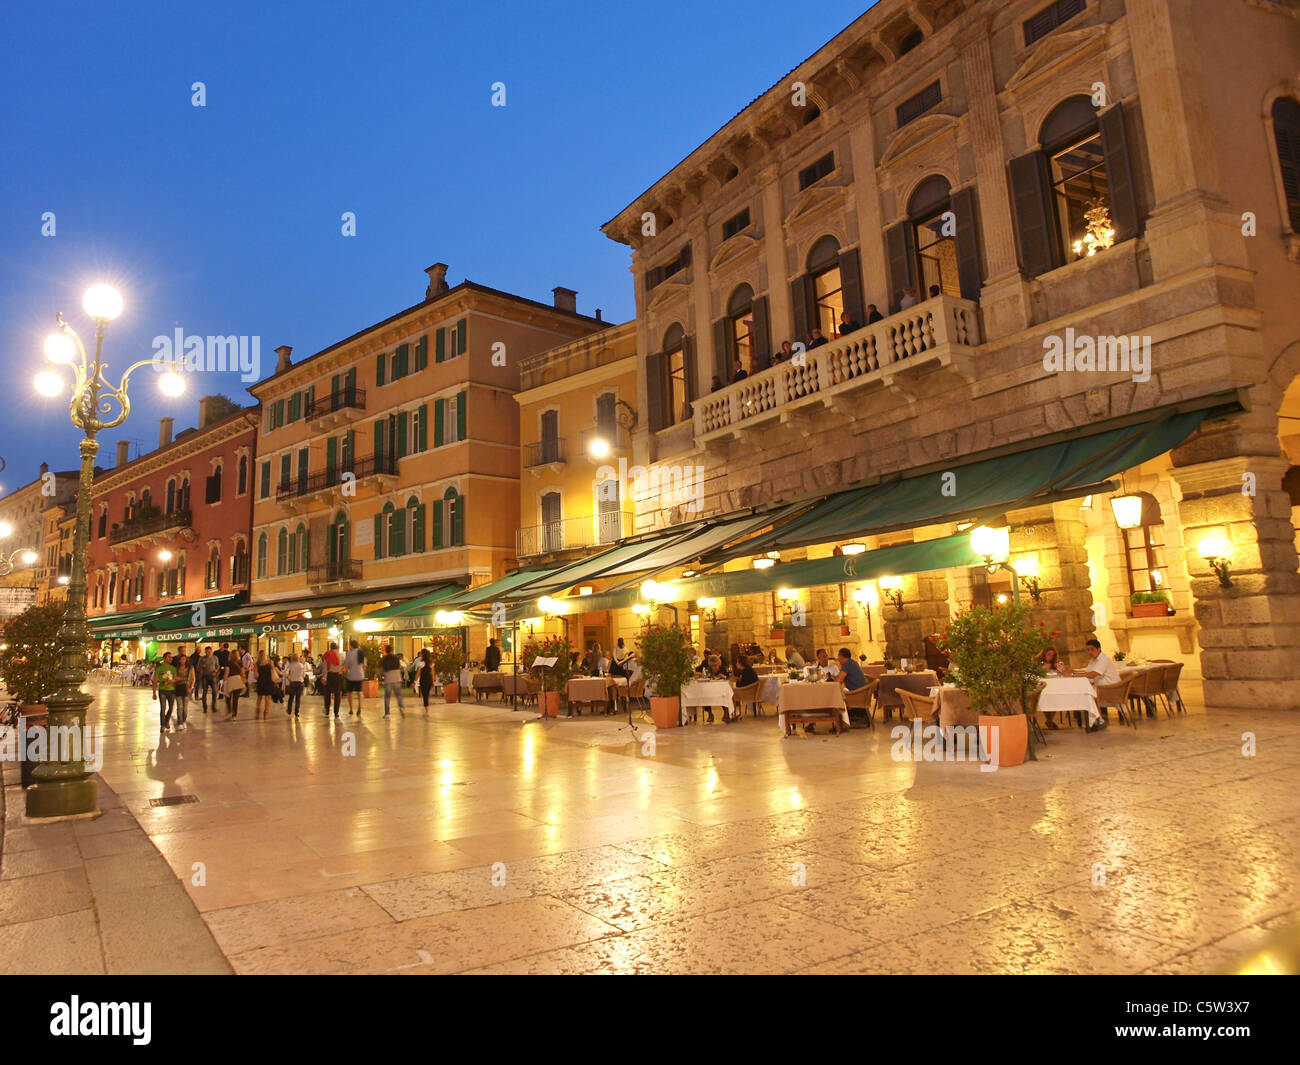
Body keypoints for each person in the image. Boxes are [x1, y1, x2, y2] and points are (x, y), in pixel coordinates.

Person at [1071, 638, 1120, 731]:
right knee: (1084, 693)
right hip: (1101, 687)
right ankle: (1095, 720)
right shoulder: (1093, 660)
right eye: (1088, 650)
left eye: (1092, 649)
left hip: (1110, 688)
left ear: (1099, 649)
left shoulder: (1103, 659)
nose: (1090, 652)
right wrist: (1073, 671)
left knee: (1088, 695)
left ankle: (1096, 721)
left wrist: (1073, 674)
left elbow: (1093, 674)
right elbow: (1087, 672)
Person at [152, 652, 177, 734]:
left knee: (171, 708)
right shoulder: (159, 669)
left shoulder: (173, 668)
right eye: (169, 657)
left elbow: (175, 679)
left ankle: (166, 720)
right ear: (164, 658)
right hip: (162, 690)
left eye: (171, 657)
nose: (171, 659)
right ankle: (162, 725)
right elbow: (155, 680)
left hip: (171, 690)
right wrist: (154, 692)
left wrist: (171, 681)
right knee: (163, 708)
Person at [381, 643, 405, 717]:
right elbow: (400, 666)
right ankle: (401, 707)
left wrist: (382, 675)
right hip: (397, 677)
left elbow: (382, 670)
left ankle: (387, 713)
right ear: (392, 650)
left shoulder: (384, 658)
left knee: (387, 696)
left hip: (388, 678)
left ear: (386, 650)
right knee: (398, 695)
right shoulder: (396, 657)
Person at [344, 639, 367, 716]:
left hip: (351, 675)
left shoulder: (349, 654)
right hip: (360, 675)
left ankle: (351, 709)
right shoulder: (362, 653)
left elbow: (346, 666)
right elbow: (364, 666)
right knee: (359, 692)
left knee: (349, 692)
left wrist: (345, 672)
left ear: (351, 646)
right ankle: (359, 707)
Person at [321, 641, 343, 718]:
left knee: (327, 693)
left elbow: (325, 667)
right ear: (337, 647)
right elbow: (344, 665)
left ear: (330, 647)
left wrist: (324, 677)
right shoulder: (342, 654)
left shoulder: (327, 654)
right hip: (338, 676)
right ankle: (336, 712)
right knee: (337, 694)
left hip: (329, 675)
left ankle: (327, 709)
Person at [221, 651, 245, 720]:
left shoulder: (228, 662)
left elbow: (226, 673)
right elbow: (243, 672)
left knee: (227, 697)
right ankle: (234, 715)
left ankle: (229, 711)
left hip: (231, 680)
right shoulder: (240, 663)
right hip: (238, 680)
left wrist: (223, 680)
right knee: (235, 699)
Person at [172, 652, 192, 731]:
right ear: (179, 660)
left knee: (185, 708)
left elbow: (193, 678)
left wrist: (191, 687)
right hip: (178, 688)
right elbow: (174, 677)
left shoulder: (190, 668)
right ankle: (180, 722)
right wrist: (180, 679)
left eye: (184, 659)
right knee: (180, 706)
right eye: (181, 659)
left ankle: (184, 720)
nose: (183, 660)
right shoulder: (176, 668)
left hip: (186, 688)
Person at [283, 651, 305, 718]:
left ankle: (289, 710)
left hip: (292, 682)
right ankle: (296, 712)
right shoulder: (301, 665)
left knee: (291, 697)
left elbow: (286, 674)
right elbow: (303, 675)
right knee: (298, 698)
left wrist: (289, 678)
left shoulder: (290, 665)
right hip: (300, 682)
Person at [196, 645, 218, 714]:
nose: (208, 653)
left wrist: (216, 670)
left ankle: (214, 706)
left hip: (213, 676)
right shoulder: (202, 659)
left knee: (214, 691)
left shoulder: (215, 658)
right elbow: (197, 668)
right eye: (206, 652)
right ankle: (204, 706)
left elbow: (217, 666)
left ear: (211, 651)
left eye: (209, 651)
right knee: (204, 692)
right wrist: (201, 667)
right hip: (205, 676)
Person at [417, 648, 434, 713]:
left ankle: (426, 708)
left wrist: (415, 681)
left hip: (423, 680)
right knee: (427, 694)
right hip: (429, 680)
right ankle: (426, 707)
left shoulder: (421, 663)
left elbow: (418, 673)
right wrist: (433, 681)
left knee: (424, 694)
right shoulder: (430, 663)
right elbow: (432, 673)